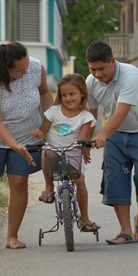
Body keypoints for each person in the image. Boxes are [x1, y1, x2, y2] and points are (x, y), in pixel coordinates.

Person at [0, 42, 53, 258]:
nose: (26, 72)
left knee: (18, 182)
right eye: (19, 70)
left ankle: (12, 236)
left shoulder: (34, 67)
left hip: (26, 133)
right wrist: (14, 145)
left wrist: (49, 122)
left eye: (27, 66)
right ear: (4, 68)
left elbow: (44, 93)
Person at [85, 40, 138, 245]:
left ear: (112, 61)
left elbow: (121, 113)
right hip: (117, 134)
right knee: (115, 179)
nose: (97, 74)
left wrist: (102, 134)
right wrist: (85, 141)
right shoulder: (91, 81)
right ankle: (125, 231)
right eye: (92, 69)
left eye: (101, 69)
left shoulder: (131, 76)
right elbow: (90, 112)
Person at [30, 73, 100, 232]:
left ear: (82, 93)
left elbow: (82, 139)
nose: (68, 98)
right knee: (46, 150)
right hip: (53, 152)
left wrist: (86, 145)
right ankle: (49, 188)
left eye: (72, 94)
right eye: (64, 95)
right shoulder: (53, 112)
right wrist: (38, 133)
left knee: (80, 183)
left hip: (73, 153)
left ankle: (85, 218)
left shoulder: (86, 117)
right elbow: (44, 131)